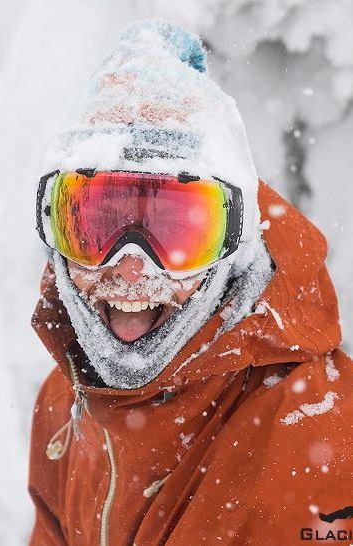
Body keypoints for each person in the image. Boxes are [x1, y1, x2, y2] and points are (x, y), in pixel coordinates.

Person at [28, 21, 353, 545]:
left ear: (234, 245)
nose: (131, 269)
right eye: (94, 227)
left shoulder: (320, 432)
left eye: (177, 231)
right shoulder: (65, 403)